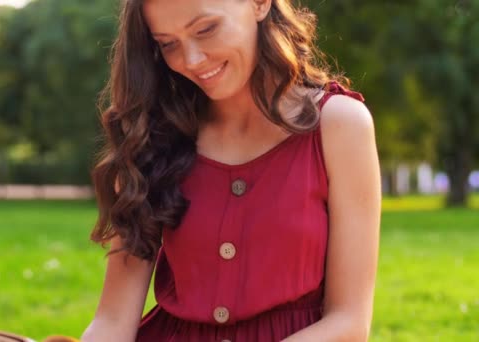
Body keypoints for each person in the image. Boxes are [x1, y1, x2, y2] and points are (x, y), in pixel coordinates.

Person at [82, 0, 381, 341]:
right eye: (168, 44)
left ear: (259, 4)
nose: (191, 60)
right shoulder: (152, 138)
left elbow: (350, 322)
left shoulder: (340, 126)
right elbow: (112, 321)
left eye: (206, 29)